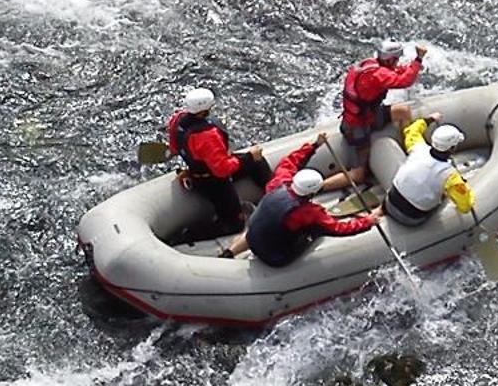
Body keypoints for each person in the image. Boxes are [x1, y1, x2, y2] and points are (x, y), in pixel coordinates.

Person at [223, 135, 376, 265]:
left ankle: (230, 252)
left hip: (254, 237)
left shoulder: (278, 182)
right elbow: (337, 229)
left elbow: (292, 160)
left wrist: (314, 145)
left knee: (267, 222)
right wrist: (367, 221)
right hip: (275, 256)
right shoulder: (309, 212)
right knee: (316, 229)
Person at [165, 87, 271, 232]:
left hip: (199, 171)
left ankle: (274, 193)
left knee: (255, 163)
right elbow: (222, 170)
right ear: (204, 111)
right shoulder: (207, 135)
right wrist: (248, 157)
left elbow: (174, 148)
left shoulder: (176, 120)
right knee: (234, 224)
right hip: (213, 182)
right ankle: (188, 234)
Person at [336, 41, 427, 177]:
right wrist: (418, 59)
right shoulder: (377, 75)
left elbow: (396, 72)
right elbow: (404, 81)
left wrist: (413, 66)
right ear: (390, 59)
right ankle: (323, 186)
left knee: (403, 111)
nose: (397, 62)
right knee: (361, 172)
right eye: (396, 60)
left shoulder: (371, 65)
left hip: (369, 115)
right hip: (357, 126)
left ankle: (410, 147)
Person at [384, 115, 475, 227]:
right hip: (411, 218)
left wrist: (430, 119)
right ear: (451, 148)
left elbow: (412, 130)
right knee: (445, 196)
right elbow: (465, 207)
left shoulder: (418, 147)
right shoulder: (450, 176)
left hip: (388, 203)